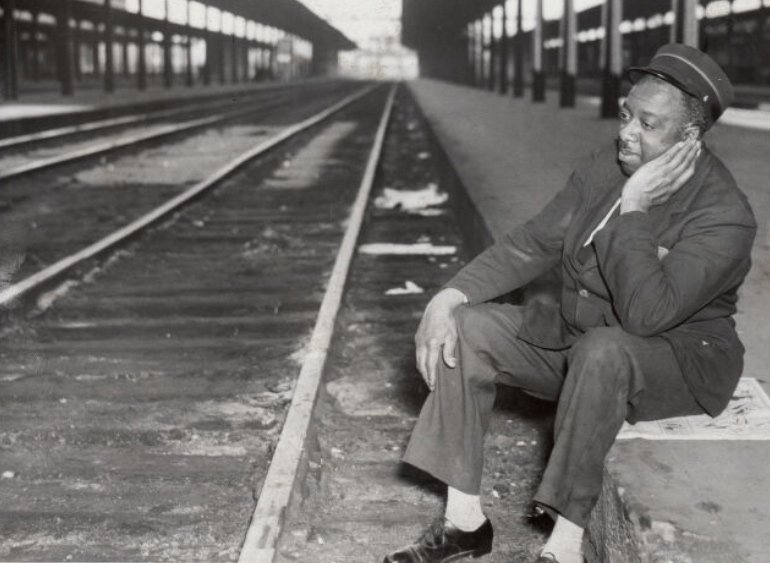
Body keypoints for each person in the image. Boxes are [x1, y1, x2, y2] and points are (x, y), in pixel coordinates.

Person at [382, 44, 756, 563]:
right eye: (627, 114)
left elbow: (647, 317)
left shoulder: (724, 214)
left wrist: (636, 210)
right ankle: (464, 522)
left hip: (674, 360)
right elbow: (535, 242)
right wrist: (447, 297)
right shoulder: (606, 165)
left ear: (689, 138)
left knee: (605, 349)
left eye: (649, 125)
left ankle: (564, 546)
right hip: (581, 340)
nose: (627, 132)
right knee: (466, 331)